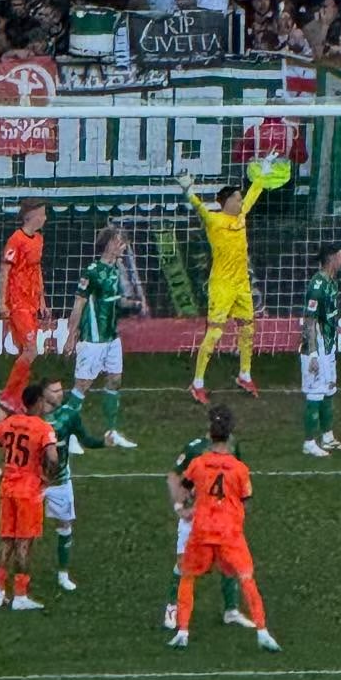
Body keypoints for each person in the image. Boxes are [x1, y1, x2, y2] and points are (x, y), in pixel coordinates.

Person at [167, 404, 279, 651]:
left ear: (211, 431)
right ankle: (263, 632)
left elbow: (184, 485)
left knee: (188, 576)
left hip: (202, 528)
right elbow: (246, 500)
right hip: (229, 531)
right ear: (229, 435)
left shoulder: (198, 463)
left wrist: (183, 508)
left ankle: (183, 631)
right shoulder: (239, 469)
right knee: (247, 578)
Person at [183, 167, 272, 401]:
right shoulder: (215, 221)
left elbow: (254, 193)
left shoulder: (241, 217)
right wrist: (188, 190)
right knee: (214, 334)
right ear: (227, 202)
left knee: (248, 330)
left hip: (242, 284)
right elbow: (200, 209)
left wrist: (263, 172)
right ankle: (197, 383)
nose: (242, 201)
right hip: (222, 286)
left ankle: (245, 374)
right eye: (238, 199)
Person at [163, 403, 254, 630]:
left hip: (222, 517)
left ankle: (231, 610)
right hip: (195, 516)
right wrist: (179, 507)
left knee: (229, 563)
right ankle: (172, 607)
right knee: (184, 563)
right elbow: (174, 476)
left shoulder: (233, 446)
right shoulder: (195, 448)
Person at [0, 380, 58, 610]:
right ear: (38, 403)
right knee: (24, 544)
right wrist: (47, 477)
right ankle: (21, 596)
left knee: (6, 540)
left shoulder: (10, 422)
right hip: (28, 491)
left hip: (7, 488)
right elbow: (52, 458)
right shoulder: (43, 428)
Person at [64, 226, 141, 447]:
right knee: (82, 385)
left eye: (124, 243)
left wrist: (135, 304)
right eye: (119, 241)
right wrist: (72, 336)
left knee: (115, 380)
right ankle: (67, 435)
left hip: (112, 337)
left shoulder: (116, 270)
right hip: (93, 339)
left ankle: (111, 431)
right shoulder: (92, 272)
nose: (123, 246)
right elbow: (78, 304)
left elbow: (116, 301)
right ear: (108, 243)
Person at [41, 376, 103, 593]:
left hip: (60, 480)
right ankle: (19, 577)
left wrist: (104, 441)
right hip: (33, 481)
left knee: (65, 526)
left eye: (60, 390)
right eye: (54, 390)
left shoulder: (69, 416)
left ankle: (63, 574)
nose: (59, 394)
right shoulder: (32, 416)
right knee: (23, 533)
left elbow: (85, 439)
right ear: (43, 394)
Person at [0, 199, 50, 413]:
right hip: (17, 304)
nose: (45, 218)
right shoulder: (15, 240)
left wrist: (42, 301)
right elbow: (4, 271)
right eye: (43, 214)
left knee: (25, 353)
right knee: (31, 350)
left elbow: (37, 271)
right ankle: (7, 396)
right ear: (32, 216)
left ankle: (18, 399)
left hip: (31, 303)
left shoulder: (38, 239)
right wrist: (2, 303)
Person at [301, 243, 341, 458]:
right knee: (315, 394)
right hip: (315, 348)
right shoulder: (317, 285)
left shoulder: (332, 282)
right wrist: (312, 354)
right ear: (331, 258)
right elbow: (309, 320)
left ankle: (327, 436)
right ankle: (309, 442)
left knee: (329, 390)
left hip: (328, 347)